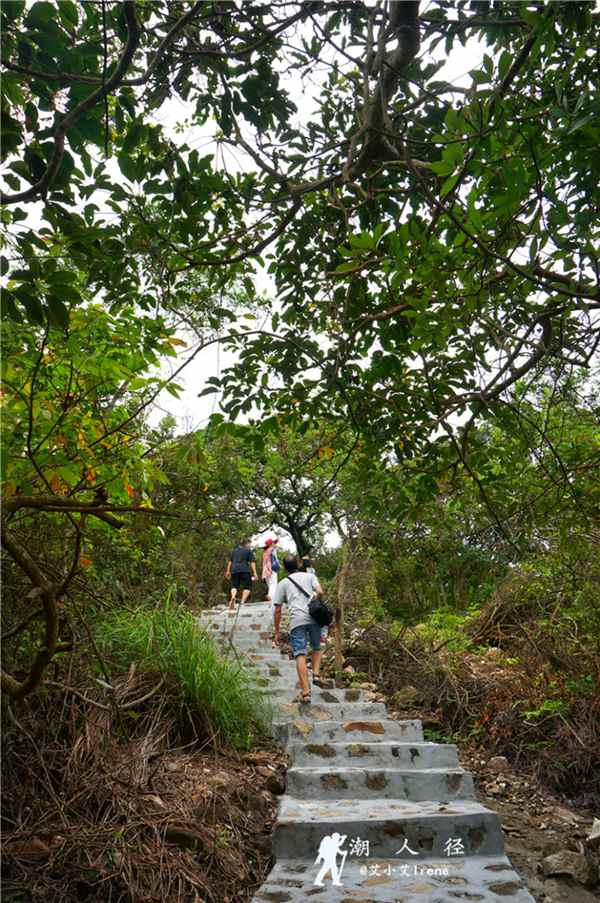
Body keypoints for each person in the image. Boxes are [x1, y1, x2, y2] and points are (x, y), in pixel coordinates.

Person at [273, 556, 325, 702]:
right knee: (316, 647)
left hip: (297, 620)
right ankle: (315, 674)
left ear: (284, 568)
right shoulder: (310, 576)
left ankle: (306, 692)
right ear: (298, 564)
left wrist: (277, 632)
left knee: (300, 654)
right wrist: (314, 599)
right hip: (314, 617)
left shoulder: (283, 583)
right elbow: (320, 592)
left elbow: (277, 609)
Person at [224, 539, 257, 611]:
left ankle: (233, 597)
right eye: (249, 544)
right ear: (246, 544)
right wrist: (254, 573)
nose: (250, 545)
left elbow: (230, 561)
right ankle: (242, 602)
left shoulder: (234, 551)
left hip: (234, 570)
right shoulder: (248, 551)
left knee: (234, 585)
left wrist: (228, 571)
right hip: (244, 570)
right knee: (247, 586)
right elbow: (252, 562)